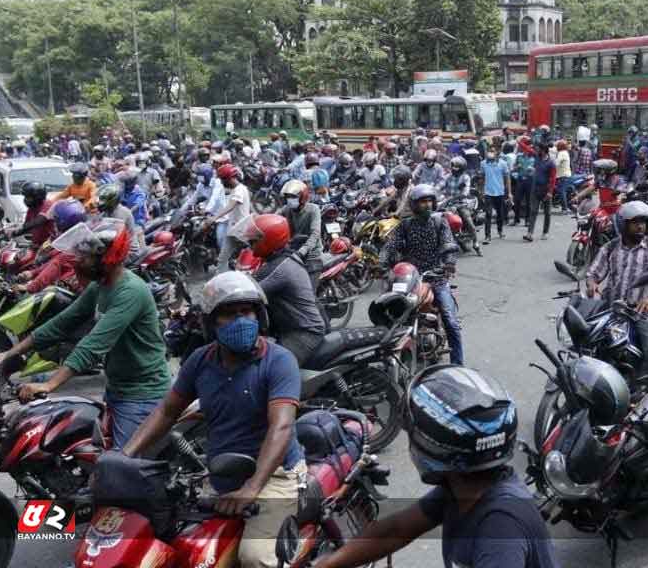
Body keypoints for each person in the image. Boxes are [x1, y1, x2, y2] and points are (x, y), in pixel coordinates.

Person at [122, 271, 304, 568]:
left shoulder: (279, 360)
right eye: (228, 314)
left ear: (259, 315)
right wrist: (125, 457)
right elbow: (167, 411)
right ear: (210, 322)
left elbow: (281, 426)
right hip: (221, 475)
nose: (240, 320)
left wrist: (253, 487)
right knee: (185, 549)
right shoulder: (200, 361)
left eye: (246, 311)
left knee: (255, 558)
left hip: (274, 477)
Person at [314, 365, 559, 568]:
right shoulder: (462, 489)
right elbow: (397, 528)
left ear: (430, 446)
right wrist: (328, 564)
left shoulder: (500, 528)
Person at [0, 220, 171, 449]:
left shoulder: (130, 291)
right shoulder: (100, 287)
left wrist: (49, 385)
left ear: (107, 258)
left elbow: (94, 344)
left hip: (142, 394)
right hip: (117, 387)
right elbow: (60, 324)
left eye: (85, 257)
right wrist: (8, 354)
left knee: (120, 469)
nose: (78, 262)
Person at [586, 201, 648, 389]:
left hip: (641, 311)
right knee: (590, 345)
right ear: (623, 224)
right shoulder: (610, 247)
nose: (641, 226)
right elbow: (593, 273)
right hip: (612, 309)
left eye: (644, 222)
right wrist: (592, 286)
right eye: (635, 222)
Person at [380, 185, 464, 365]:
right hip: (411, 277)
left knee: (451, 321)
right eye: (422, 202)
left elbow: (449, 244)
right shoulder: (406, 224)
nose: (426, 205)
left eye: (429, 201)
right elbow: (390, 246)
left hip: (436, 276)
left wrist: (449, 264)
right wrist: (381, 264)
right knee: (388, 312)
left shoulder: (439, 221)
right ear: (414, 205)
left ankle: (458, 364)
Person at [230, 214, 326, 367]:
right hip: (288, 328)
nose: (250, 244)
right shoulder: (274, 261)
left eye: (254, 240)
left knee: (270, 368)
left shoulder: (280, 268)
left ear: (268, 241)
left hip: (305, 331)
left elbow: (249, 293)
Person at [13, 200, 88, 294]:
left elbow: (55, 265)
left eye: (56, 221)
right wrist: (33, 273)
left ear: (62, 223)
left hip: (70, 293)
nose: (54, 225)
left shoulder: (73, 250)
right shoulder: (77, 242)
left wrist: (29, 287)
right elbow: (53, 262)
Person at [278, 180, 323, 289]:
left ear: (303, 197)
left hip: (311, 255)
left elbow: (315, 233)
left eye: (293, 197)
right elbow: (273, 219)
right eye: (288, 197)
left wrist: (304, 250)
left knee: (308, 293)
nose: (289, 200)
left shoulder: (313, 209)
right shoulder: (287, 209)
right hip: (293, 252)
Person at [207, 164, 251, 274]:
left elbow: (230, 206)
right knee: (222, 258)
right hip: (233, 230)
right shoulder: (235, 189)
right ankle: (220, 281)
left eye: (222, 180)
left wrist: (214, 218)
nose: (221, 182)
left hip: (242, 231)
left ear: (229, 178)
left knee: (248, 257)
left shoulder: (240, 190)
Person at [96, 183, 143, 257]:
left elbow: (114, 237)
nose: (100, 202)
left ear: (113, 201)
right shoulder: (106, 212)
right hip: (117, 248)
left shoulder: (121, 214)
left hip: (129, 252)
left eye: (104, 199)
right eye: (101, 199)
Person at [525, 145, 556, 242]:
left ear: (544, 151)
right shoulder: (537, 157)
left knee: (547, 213)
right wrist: (519, 141)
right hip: (535, 189)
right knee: (533, 211)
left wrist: (550, 192)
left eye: (539, 150)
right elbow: (528, 149)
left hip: (546, 190)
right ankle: (530, 233)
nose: (537, 151)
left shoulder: (551, 163)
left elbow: (553, 179)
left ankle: (545, 232)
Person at [481, 148, 511, 244]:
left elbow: (507, 179)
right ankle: (487, 236)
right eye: (490, 150)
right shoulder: (483, 163)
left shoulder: (503, 163)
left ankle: (500, 230)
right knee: (488, 214)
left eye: (493, 151)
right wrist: (481, 191)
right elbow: (482, 177)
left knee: (500, 213)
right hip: (488, 192)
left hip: (500, 192)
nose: (490, 152)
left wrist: (509, 192)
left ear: (497, 153)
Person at [17, 181, 56, 248]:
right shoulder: (32, 208)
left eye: (28, 197)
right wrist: (11, 232)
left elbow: (38, 221)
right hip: (36, 245)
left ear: (37, 197)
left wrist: (16, 231)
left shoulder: (47, 205)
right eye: (25, 197)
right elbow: (26, 226)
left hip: (49, 246)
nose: (25, 200)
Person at [511, 137, 536, 226]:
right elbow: (513, 168)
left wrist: (533, 169)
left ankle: (527, 220)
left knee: (529, 201)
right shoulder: (519, 156)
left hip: (530, 180)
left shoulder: (534, 157)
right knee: (517, 200)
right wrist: (516, 167)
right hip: (520, 180)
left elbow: (538, 169)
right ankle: (516, 219)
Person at [554, 140, 572, 213]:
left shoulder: (561, 153)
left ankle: (565, 208)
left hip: (562, 175)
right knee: (562, 191)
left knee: (562, 191)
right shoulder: (565, 152)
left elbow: (556, 163)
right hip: (565, 175)